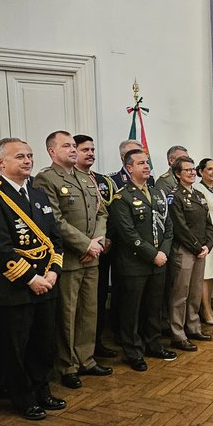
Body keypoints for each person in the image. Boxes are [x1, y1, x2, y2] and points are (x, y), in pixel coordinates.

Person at [0, 138, 66, 418]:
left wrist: (53, 272)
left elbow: (55, 238)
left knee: (44, 343)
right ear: (1, 163)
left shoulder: (38, 194)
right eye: (20, 157)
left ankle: (42, 390)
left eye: (29, 155)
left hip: (46, 282)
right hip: (14, 287)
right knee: (16, 348)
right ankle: (22, 398)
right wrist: (31, 279)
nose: (27, 161)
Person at [35, 130, 111, 390]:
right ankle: (67, 365)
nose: (72, 150)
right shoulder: (46, 179)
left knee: (89, 311)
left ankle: (86, 359)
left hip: (92, 257)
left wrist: (97, 241)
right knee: (67, 315)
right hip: (68, 260)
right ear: (52, 151)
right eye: (66, 146)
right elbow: (54, 220)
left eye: (73, 146)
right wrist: (85, 244)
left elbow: (101, 212)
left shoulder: (86, 178)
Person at [107, 149, 177, 368]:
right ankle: (133, 352)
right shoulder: (122, 197)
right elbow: (128, 234)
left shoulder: (157, 193)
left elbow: (168, 227)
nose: (147, 166)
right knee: (132, 311)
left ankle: (153, 345)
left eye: (147, 162)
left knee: (154, 308)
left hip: (159, 262)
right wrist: (153, 254)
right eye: (141, 163)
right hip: (134, 264)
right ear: (129, 168)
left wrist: (163, 252)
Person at [75, 134, 120, 359]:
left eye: (92, 149)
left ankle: (96, 342)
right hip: (78, 251)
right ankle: (76, 350)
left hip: (103, 249)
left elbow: (111, 213)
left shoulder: (104, 181)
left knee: (98, 298)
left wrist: (105, 240)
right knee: (77, 304)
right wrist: (86, 245)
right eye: (85, 150)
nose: (91, 153)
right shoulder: (67, 179)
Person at [168, 156, 213, 349]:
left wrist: (208, 245)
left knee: (195, 292)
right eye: (187, 170)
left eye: (193, 169)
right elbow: (180, 227)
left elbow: (208, 223)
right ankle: (178, 334)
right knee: (180, 295)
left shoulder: (199, 195)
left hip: (200, 251)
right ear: (178, 174)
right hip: (184, 251)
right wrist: (197, 246)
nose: (192, 172)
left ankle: (193, 327)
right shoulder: (174, 196)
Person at [193, 157, 213, 325]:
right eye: (209, 169)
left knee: (212, 274)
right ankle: (204, 311)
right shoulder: (197, 189)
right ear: (201, 171)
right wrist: (211, 236)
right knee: (204, 275)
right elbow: (199, 215)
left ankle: (210, 308)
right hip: (205, 236)